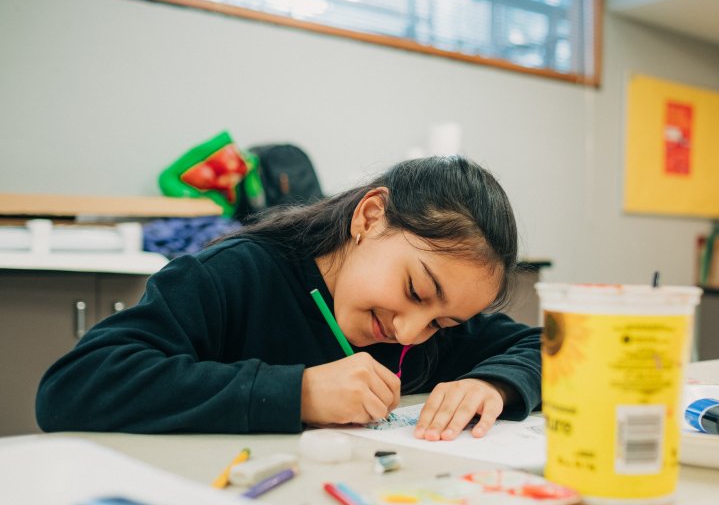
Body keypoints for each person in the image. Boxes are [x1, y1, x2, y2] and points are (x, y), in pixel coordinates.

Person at [36, 156, 541, 440]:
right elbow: (72, 388)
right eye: (415, 290)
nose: (411, 332)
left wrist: (495, 384)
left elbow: (557, 347)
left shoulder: (430, 324)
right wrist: (296, 393)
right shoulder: (233, 275)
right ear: (369, 218)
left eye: (443, 324)